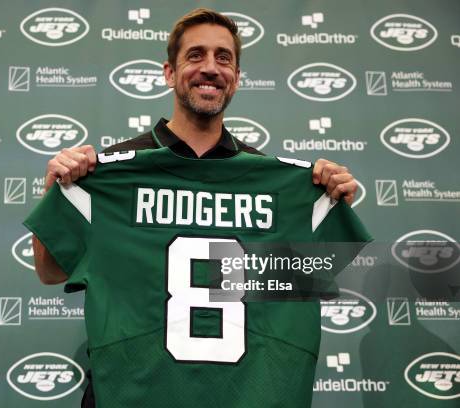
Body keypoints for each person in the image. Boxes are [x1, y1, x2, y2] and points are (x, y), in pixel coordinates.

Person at [26, 8, 368, 407]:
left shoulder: (282, 187)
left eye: (224, 58)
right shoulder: (108, 173)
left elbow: (295, 283)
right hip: (131, 393)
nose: (210, 68)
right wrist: (56, 190)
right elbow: (50, 272)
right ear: (170, 73)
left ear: (237, 79)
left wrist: (327, 203)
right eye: (195, 56)